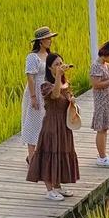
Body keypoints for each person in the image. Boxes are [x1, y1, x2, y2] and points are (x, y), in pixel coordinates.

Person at [27, 52, 80, 201]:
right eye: (56, 64)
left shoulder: (65, 82)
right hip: (52, 125)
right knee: (50, 153)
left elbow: (64, 96)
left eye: (60, 63)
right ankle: (49, 189)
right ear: (49, 68)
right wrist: (58, 76)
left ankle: (58, 186)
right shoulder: (46, 85)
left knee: (62, 152)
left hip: (64, 126)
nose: (59, 66)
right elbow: (55, 95)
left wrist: (71, 100)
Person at [21, 26, 57, 163]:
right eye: (47, 38)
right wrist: (33, 97)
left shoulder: (49, 55)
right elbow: (30, 77)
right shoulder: (32, 57)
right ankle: (31, 158)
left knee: (45, 124)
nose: (50, 41)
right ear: (40, 41)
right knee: (33, 123)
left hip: (47, 91)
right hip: (36, 91)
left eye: (50, 38)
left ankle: (40, 156)